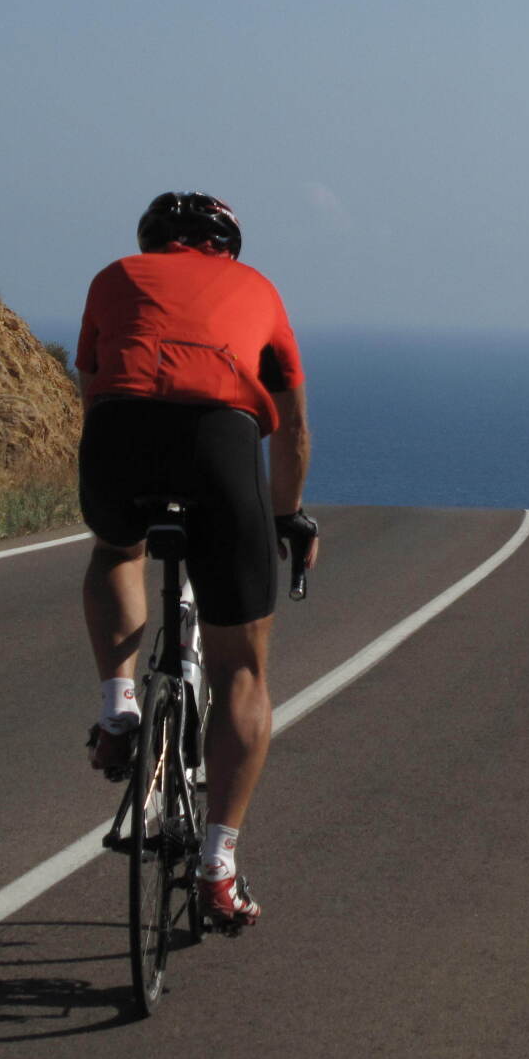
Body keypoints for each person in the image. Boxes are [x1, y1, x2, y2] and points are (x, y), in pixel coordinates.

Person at [76, 191, 321, 932]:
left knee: (118, 547)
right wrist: (285, 517)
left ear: (154, 242)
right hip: (220, 444)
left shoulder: (115, 276)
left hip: (119, 437)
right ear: (226, 248)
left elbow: (94, 390)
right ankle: (219, 866)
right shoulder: (259, 290)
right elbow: (293, 430)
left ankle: (119, 707)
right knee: (241, 672)